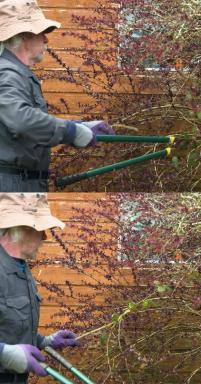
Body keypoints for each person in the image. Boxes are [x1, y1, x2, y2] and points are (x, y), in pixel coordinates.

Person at [0, 0, 115, 192]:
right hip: (12, 186)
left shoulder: (15, 72)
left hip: (20, 182)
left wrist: (79, 126)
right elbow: (22, 121)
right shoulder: (8, 73)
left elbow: (27, 121)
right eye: (42, 33)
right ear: (23, 36)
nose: (46, 40)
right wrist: (72, 132)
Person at [0, 193, 81, 383]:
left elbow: (8, 324)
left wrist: (44, 341)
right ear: (18, 229)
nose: (45, 237)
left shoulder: (21, 268)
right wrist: (4, 352)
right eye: (40, 229)